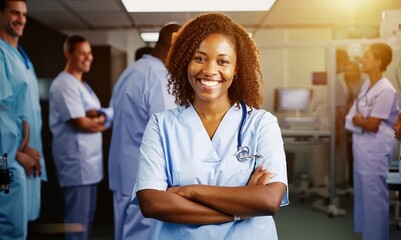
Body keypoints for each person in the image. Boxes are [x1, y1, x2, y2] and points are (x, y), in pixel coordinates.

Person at [132, 12, 289, 240]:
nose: (209, 70)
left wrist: (189, 191)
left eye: (223, 61)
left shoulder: (262, 123)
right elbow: (152, 203)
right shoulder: (161, 125)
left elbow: (268, 200)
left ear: (236, 69)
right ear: (185, 61)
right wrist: (241, 207)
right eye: (199, 58)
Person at [108, 23, 180, 240]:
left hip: (123, 172)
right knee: (140, 234)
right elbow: (169, 133)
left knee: (124, 231)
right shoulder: (159, 77)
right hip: (143, 176)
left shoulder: (132, 70)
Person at [49, 35, 112, 240]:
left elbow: (93, 113)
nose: (88, 57)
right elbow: (80, 122)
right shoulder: (64, 84)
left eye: (89, 52)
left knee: (85, 222)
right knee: (77, 224)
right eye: (82, 53)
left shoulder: (82, 84)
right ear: (68, 54)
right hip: (77, 165)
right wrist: (100, 122)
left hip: (89, 165)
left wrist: (94, 117)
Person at [345, 42, 398, 240]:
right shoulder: (368, 85)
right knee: (365, 200)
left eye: (366, 56)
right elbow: (352, 117)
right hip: (362, 151)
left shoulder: (386, 90)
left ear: (378, 62)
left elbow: (372, 125)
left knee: (375, 201)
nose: (362, 60)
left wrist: (360, 120)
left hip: (375, 153)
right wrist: (360, 120)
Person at [0, 0, 44, 239]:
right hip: (9, 158)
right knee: (10, 230)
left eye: (24, 14)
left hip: (28, 156)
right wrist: (15, 152)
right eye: (14, 13)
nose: (20, 19)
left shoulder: (22, 57)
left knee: (20, 227)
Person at [343, 60, 364, 187]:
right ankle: (349, 180)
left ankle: (354, 182)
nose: (349, 73)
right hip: (344, 123)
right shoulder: (343, 83)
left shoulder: (363, 85)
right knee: (347, 154)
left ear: (357, 71)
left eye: (352, 70)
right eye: (347, 70)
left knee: (356, 154)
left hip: (357, 124)